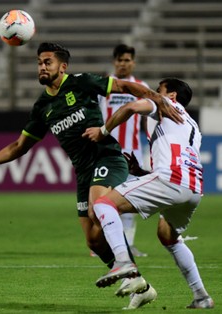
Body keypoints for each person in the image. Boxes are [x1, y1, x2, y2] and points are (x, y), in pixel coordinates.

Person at [0, 43, 181, 309]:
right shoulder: (42, 106)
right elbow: (19, 146)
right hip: (83, 170)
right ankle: (140, 285)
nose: (42, 66)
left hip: (107, 156)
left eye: (48, 62)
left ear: (62, 66)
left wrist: (157, 98)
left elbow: (125, 87)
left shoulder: (82, 83)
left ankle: (126, 265)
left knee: (97, 208)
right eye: (40, 62)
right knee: (93, 239)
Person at [82, 78, 214, 309]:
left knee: (103, 205)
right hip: (193, 188)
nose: (153, 93)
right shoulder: (193, 126)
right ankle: (201, 296)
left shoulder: (165, 104)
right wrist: (140, 172)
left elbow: (130, 107)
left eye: (158, 91)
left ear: (171, 96)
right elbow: (179, 156)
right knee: (168, 236)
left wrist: (103, 131)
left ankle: (123, 262)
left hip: (170, 179)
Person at [98, 43, 149, 257]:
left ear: (133, 63)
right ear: (114, 62)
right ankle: (103, 245)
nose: (123, 64)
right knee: (103, 199)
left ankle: (128, 244)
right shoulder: (103, 85)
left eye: (127, 60)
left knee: (131, 200)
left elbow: (146, 121)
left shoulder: (140, 85)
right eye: (119, 60)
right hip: (107, 152)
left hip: (134, 152)